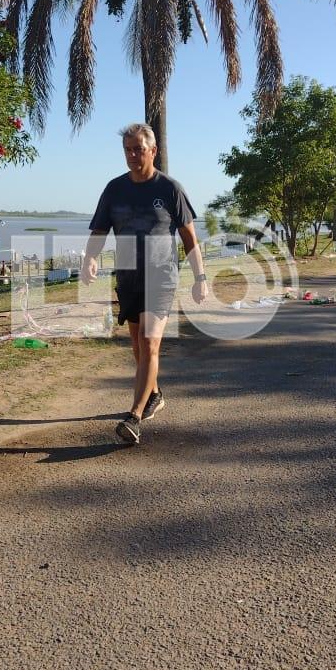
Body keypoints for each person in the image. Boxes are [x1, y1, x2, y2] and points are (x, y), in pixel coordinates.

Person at [81, 123, 209, 445]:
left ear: (153, 151)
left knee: (150, 342)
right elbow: (99, 231)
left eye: (138, 149)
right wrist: (90, 259)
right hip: (129, 276)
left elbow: (189, 238)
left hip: (161, 276)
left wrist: (200, 277)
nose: (132, 155)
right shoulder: (114, 189)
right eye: (128, 150)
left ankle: (134, 417)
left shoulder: (170, 189)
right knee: (138, 347)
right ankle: (154, 394)